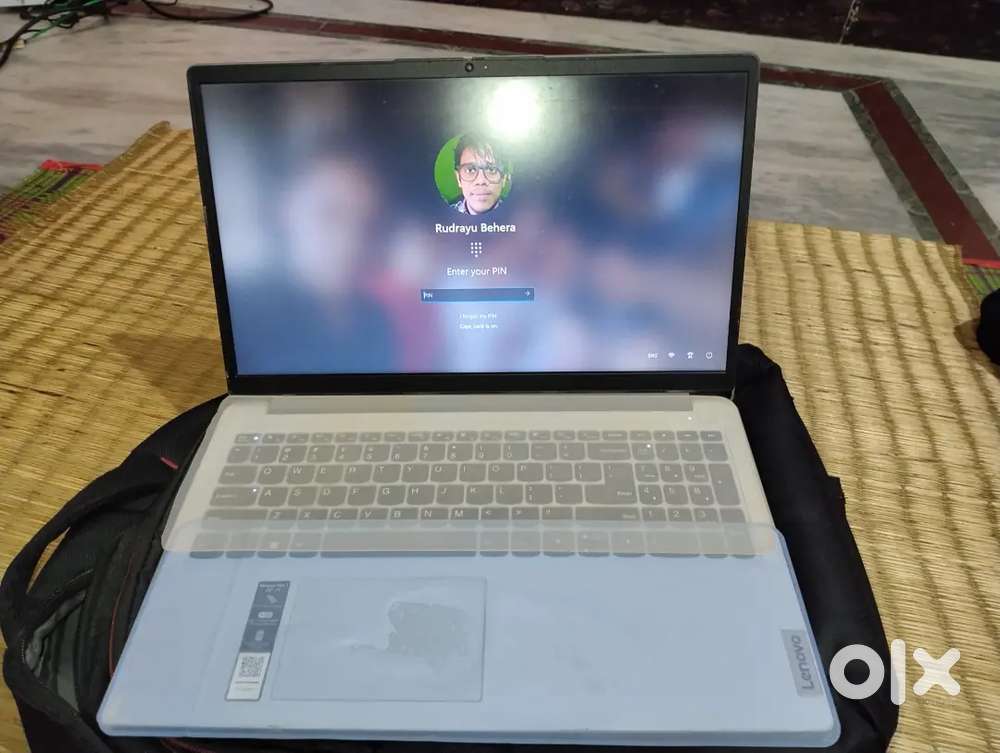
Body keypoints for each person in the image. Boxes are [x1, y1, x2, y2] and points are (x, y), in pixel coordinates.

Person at [451, 133, 508, 215]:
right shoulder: (442, 217)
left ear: (504, 178)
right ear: (458, 178)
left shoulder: (518, 214)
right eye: (470, 170)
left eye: (491, 169)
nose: (481, 181)